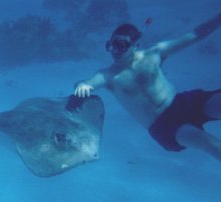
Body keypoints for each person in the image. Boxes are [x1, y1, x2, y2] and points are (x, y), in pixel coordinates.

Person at [74, 13, 221, 160]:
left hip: (182, 102)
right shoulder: (108, 76)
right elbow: (86, 83)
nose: (113, 51)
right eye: (110, 45)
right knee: (210, 143)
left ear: (135, 45)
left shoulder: (154, 54)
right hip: (164, 126)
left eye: (120, 45)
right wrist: (82, 85)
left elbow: (195, 34)